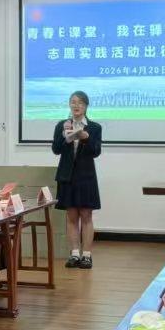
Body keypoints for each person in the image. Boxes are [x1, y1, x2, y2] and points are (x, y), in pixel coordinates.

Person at [52, 91, 102, 269]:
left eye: (80, 102)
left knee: (86, 215)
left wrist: (85, 138)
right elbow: (56, 149)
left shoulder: (94, 127)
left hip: (86, 176)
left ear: (86, 106)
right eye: (73, 102)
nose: (76, 105)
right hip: (67, 176)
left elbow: (96, 151)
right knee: (71, 215)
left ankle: (86, 255)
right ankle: (74, 254)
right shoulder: (62, 125)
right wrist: (65, 137)